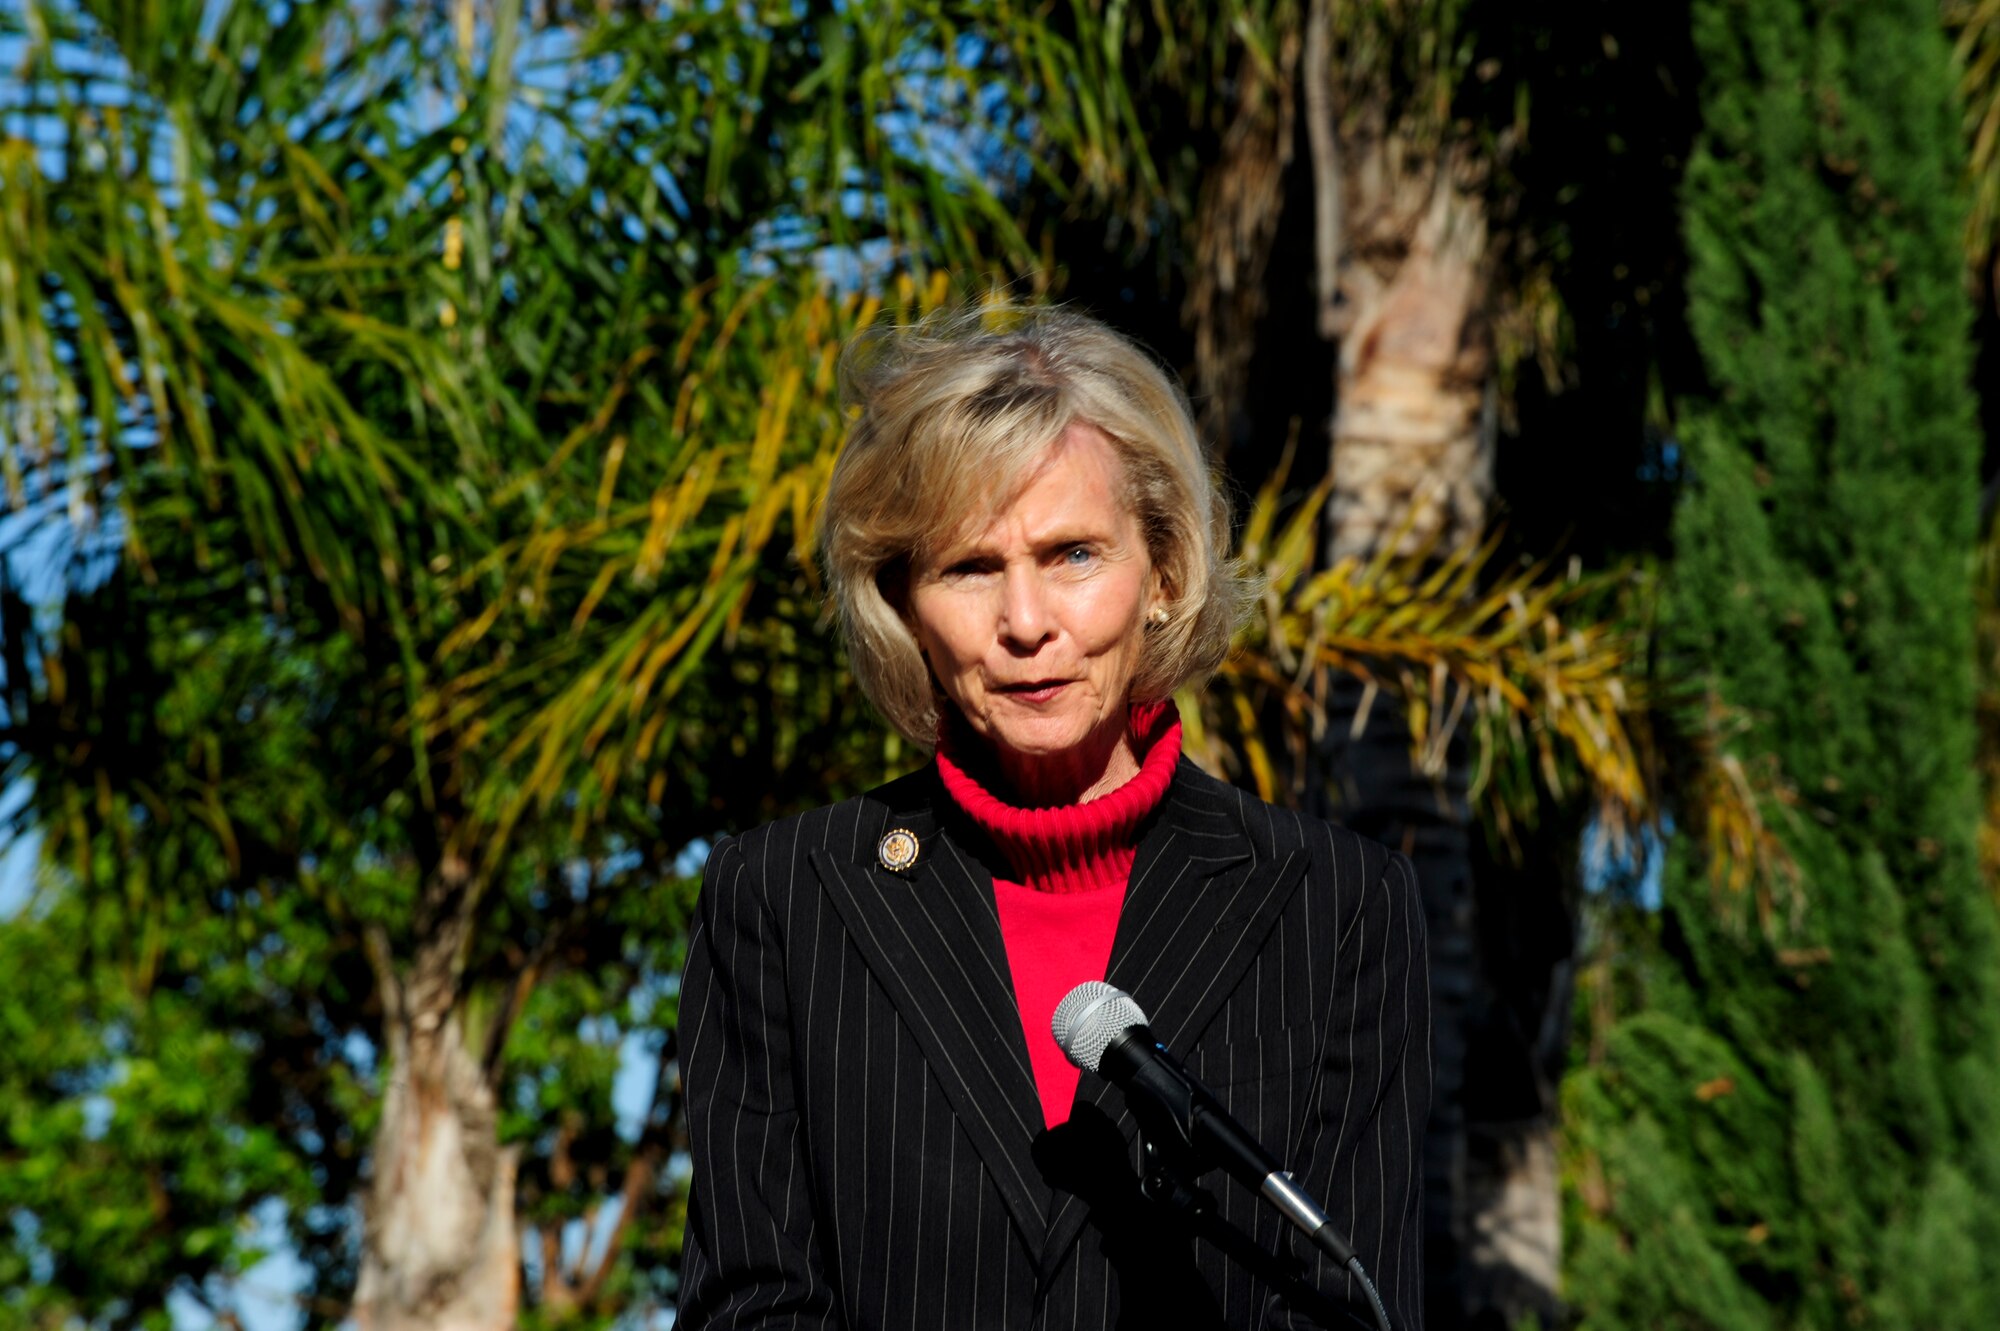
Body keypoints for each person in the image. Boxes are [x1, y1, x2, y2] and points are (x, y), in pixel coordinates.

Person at [677, 304, 1430, 1330]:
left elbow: (1344, 1300)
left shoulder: (1338, 905)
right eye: (969, 568)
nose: (1025, 622)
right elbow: (751, 1305)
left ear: (1161, 572)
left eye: (1072, 553)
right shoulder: (783, 897)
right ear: (902, 604)